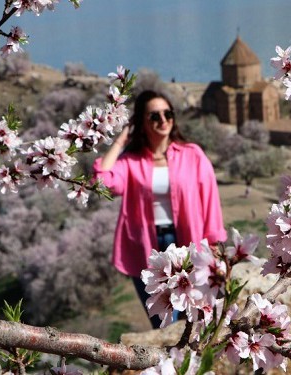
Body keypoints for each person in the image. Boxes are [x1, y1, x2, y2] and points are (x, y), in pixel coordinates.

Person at [93, 90, 227, 329]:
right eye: (154, 116)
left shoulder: (192, 154)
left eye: (168, 113)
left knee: (194, 315)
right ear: (141, 123)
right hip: (147, 246)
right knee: (163, 320)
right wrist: (120, 141)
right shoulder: (130, 161)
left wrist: (214, 242)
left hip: (189, 242)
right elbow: (101, 182)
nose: (163, 120)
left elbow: (210, 199)